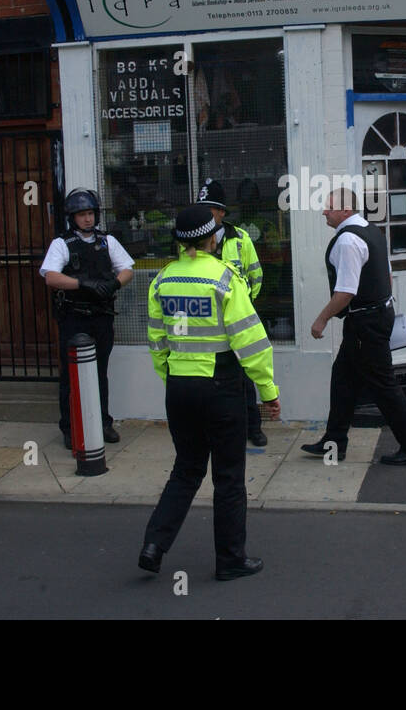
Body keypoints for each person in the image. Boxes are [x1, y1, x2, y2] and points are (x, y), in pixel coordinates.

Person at [139, 204, 280, 580]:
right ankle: (231, 560)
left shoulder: (163, 280)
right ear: (212, 237)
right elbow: (251, 341)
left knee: (186, 470)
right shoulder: (224, 279)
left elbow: (156, 340)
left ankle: (154, 544)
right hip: (221, 386)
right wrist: (267, 390)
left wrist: (172, 380)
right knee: (229, 476)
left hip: (180, 387)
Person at [304, 188, 406, 466]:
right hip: (375, 317)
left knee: (384, 386)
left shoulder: (348, 240)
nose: (324, 211)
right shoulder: (371, 230)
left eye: (330, 207)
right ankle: (333, 443)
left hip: (366, 324)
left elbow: (345, 292)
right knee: (343, 380)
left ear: (346, 211)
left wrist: (321, 319)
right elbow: (387, 275)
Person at [40, 188, 134, 449]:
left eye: (90, 213)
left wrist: (113, 285)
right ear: (73, 217)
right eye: (82, 215)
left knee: (99, 372)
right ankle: (70, 428)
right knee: (71, 376)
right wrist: (83, 284)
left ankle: (103, 423)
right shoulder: (62, 243)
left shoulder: (107, 241)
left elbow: (127, 269)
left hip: (101, 317)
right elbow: (50, 276)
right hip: (74, 318)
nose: (87, 219)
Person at [198, 178, 267, 446]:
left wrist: (244, 305)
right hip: (206, 322)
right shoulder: (191, 242)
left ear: (222, 213)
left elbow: (256, 275)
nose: (205, 215)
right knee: (210, 378)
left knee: (246, 374)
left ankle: (253, 428)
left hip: (237, 320)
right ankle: (215, 429)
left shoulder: (240, 238)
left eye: (210, 210)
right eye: (201, 209)